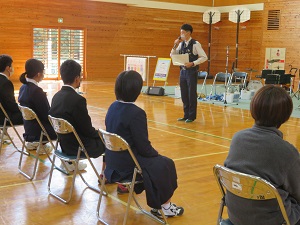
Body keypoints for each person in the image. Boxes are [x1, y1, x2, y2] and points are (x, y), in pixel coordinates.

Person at [104, 70, 184, 217]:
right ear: (137, 90)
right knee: (166, 164)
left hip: (112, 162)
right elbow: (144, 148)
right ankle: (165, 206)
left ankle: (158, 204)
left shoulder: (112, 107)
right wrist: (156, 155)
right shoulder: (136, 113)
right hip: (128, 165)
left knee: (158, 164)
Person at [224, 85, 300, 225]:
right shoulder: (287, 152)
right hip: (269, 220)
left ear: (253, 108)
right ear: (286, 115)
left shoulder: (237, 138)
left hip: (235, 214)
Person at [49, 59, 105, 172]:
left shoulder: (56, 96)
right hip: (78, 147)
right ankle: (106, 175)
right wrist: (100, 134)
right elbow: (87, 130)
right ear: (76, 78)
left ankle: (69, 163)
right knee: (109, 142)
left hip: (63, 145)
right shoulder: (78, 100)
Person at [170, 24, 207, 123]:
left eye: (182, 32)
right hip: (182, 71)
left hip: (192, 72)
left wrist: (193, 63)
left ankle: (191, 116)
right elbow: (172, 55)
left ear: (188, 33)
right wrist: (175, 45)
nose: (181, 35)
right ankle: (185, 115)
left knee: (191, 94)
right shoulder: (181, 44)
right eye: (180, 32)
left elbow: (204, 57)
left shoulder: (195, 44)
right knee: (184, 94)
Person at [18, 59, 56, 154]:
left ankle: (34, 143)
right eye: (43, 72)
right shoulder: (37, 91)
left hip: (29, 129)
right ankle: (42, 145)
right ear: (38, 74)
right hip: (40, 132)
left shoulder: (23, 87)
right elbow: (47, 114)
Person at [0, 54, 23, 141]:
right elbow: (10, 105)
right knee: (32, 116)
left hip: (2, 115)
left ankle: (3, 134)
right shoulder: (6, 83)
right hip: (3, 118)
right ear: (8, 68)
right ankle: (34, 141)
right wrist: (22, 110)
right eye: (12, 66)